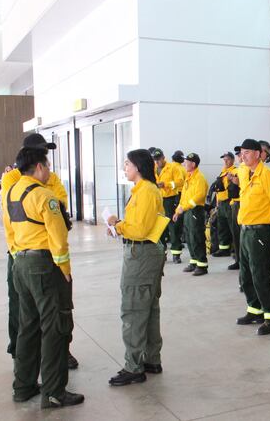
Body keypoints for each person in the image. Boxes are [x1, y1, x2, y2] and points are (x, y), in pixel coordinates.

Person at [2, 147, 83, 409]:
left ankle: (23, 386)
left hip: (20, 264)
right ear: (38, 167)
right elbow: (59, 239)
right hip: (44, 265)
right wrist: (65, 270)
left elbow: (9, 231)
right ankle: (54, 391)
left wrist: (18, 257)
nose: (49, 171)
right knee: (54, 328)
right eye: (47, 167)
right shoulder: (44, 196)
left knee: (28, 326)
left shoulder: (11, 192)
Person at [106, 149, 167, 386]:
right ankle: (151, 359)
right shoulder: (143, 190)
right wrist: (119, 227)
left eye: (127, 164)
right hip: (143, 252)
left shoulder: (146, 192)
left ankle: (134, 366)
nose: (125, 168)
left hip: (141, 255)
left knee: (133, 308)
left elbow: (140, 229)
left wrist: (117, 225)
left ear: (138, 167)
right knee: (148, 308)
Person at [235, 139, 270, 335]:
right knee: (246, 274)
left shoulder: (267, 175)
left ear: (258, 154)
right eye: (241, 153)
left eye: (247, 152)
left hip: (260, 231)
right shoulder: (244, 172)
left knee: (261, 275)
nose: (243, 156)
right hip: (245, 230)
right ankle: (254, 309)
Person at [173, 153, 209, 276]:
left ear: (193, 164)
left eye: (187, 162)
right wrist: (178, 210)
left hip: (195, 211)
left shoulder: (199, 178)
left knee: (197, 237)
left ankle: (202, 265)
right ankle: (194, 261)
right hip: (187, 211)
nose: (184, 164)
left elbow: (200, 196)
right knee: (189, 237)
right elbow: (183, 196)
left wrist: (185, 207)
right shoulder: (189, 177)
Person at [152, 148, 186, 264]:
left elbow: (180, 182)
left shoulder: (173, 167)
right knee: (160, 228)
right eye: (155, 160)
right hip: (158, 200)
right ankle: (162, 253)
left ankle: (176, 254)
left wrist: (166, 184)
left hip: (170, 200)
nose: (157, 162)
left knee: (173, 227)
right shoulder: (154, 169)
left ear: (163, 157)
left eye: (159, 159)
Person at [213, 152, 238, 259]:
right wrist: (217, 203)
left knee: (232, 226)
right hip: (221, 203)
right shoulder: (223, 172)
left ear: (232, 160)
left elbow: (234, 188)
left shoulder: (235, 171)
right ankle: (223, 248)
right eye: (224, 160)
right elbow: (218, 190)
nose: (225, 161)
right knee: (222, 226)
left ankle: (235, 249)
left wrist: (230, 179)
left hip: (229, 202)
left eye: (227, 159)